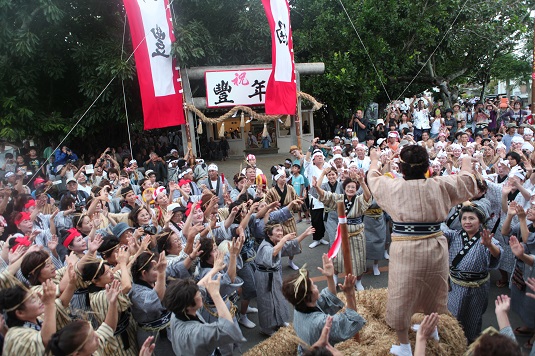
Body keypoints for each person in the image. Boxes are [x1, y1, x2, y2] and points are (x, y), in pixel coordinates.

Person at [367, 145, 479, 356]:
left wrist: (374, 160)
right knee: (434, 290)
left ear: (401, 168)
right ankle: (433, 329)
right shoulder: (440, 184)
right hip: (435, 245)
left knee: (401, 293)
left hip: (405, 247)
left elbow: (373, 178)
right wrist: (466, 160)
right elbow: (467, 181)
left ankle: (404, 345)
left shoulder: (393, 186)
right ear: (428, 166)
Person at [282, 254, 366, 354]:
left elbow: (327, 300)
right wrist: (349, 294)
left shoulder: (299, 307)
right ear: (308, 297)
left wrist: (330, 277)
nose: (317, 287)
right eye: (313, 286)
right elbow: (351, 321)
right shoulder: (320, 323)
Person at [441, 205, 502, 343]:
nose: (467, 222)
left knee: (474, 318)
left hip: (478, 287)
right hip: (456, 285)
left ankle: (471, 344)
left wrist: (489, 245)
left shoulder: (486, 238)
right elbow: (440, 230)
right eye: (464, 218)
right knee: (453, 315)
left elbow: (497, 252)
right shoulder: (454, 235)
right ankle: (453, 343)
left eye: (472, 218)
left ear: (480, 222)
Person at [313, 169, 372, 290]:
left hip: (357, 234)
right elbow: (325, 195)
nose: (351, 189)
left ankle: (358, 281)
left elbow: (368, 196)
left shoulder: (359, 199)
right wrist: (317, 187)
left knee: (359, 259)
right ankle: (334, 278)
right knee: (338, 258)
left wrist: (362, 182)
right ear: (344, 188)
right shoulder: (339, 198)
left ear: (356, 189)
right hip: (342, 233)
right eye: (348, 187)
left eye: (353, 187)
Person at [163, 270, 246, 355]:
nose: (201, 294)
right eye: (198, 295)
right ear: (188, 305)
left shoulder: (178, 311)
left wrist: (215, 268)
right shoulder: (194, 332)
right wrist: (216, 295)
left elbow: (200, 286)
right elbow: (228, 329)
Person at [255, 222, 314, 335]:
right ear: (269, 233)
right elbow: (273, 252)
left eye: (281, 230)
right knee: (266, 302)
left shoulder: (277, 242)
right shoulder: (265, 246)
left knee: (279, 298)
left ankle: (280, 321)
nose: (280, 232)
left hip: (275, 275)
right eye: (277, 230)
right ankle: (266, 328)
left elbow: (290, 245)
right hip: (264, 277)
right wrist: (285, 238)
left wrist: (305, 234)